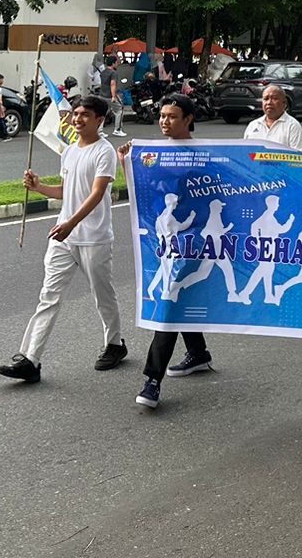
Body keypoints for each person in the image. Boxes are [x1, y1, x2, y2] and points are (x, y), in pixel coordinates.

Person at [0, 95, 126, 384]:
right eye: (76, 113)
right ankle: (30, 359)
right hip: (63, 237)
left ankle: (115, 344)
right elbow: (67, 191)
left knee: (102, 295)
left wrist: (72, 223)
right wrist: (39, 186)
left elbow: (97, 193)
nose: (77, 119)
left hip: (93, 237)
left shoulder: (104, 151)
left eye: (85, 115)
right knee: (48, 296)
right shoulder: (69, 152)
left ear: (100, 120)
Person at [124, 93, 215, 410]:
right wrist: (129, 162)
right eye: (162, 115)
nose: (164, 121)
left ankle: (152, 380)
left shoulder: (205, 156)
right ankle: (199, 353)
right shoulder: (154, 153)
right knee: (180, 299)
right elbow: (145, 192)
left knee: (168, 304)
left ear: (189, 119)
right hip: (164, 245)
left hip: (193, 244)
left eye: (172, 116)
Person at [245, 84, 302, 150]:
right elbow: (244, 153)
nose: (269, 102)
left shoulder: (292, 126)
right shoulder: (253, 125)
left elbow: (301, 156)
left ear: (284, 103)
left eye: (274, 99)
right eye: (266, 99)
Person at [105, 60, 128, 138]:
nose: (117, 64)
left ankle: (100, 131)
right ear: (113, 63)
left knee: (102, 113)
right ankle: (117, 130)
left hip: (102, 95)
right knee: (119, 110)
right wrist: (113, 96)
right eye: (116, 62)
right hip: (110, 95)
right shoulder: (113, 73)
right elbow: (112, 84)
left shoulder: (103, 72)